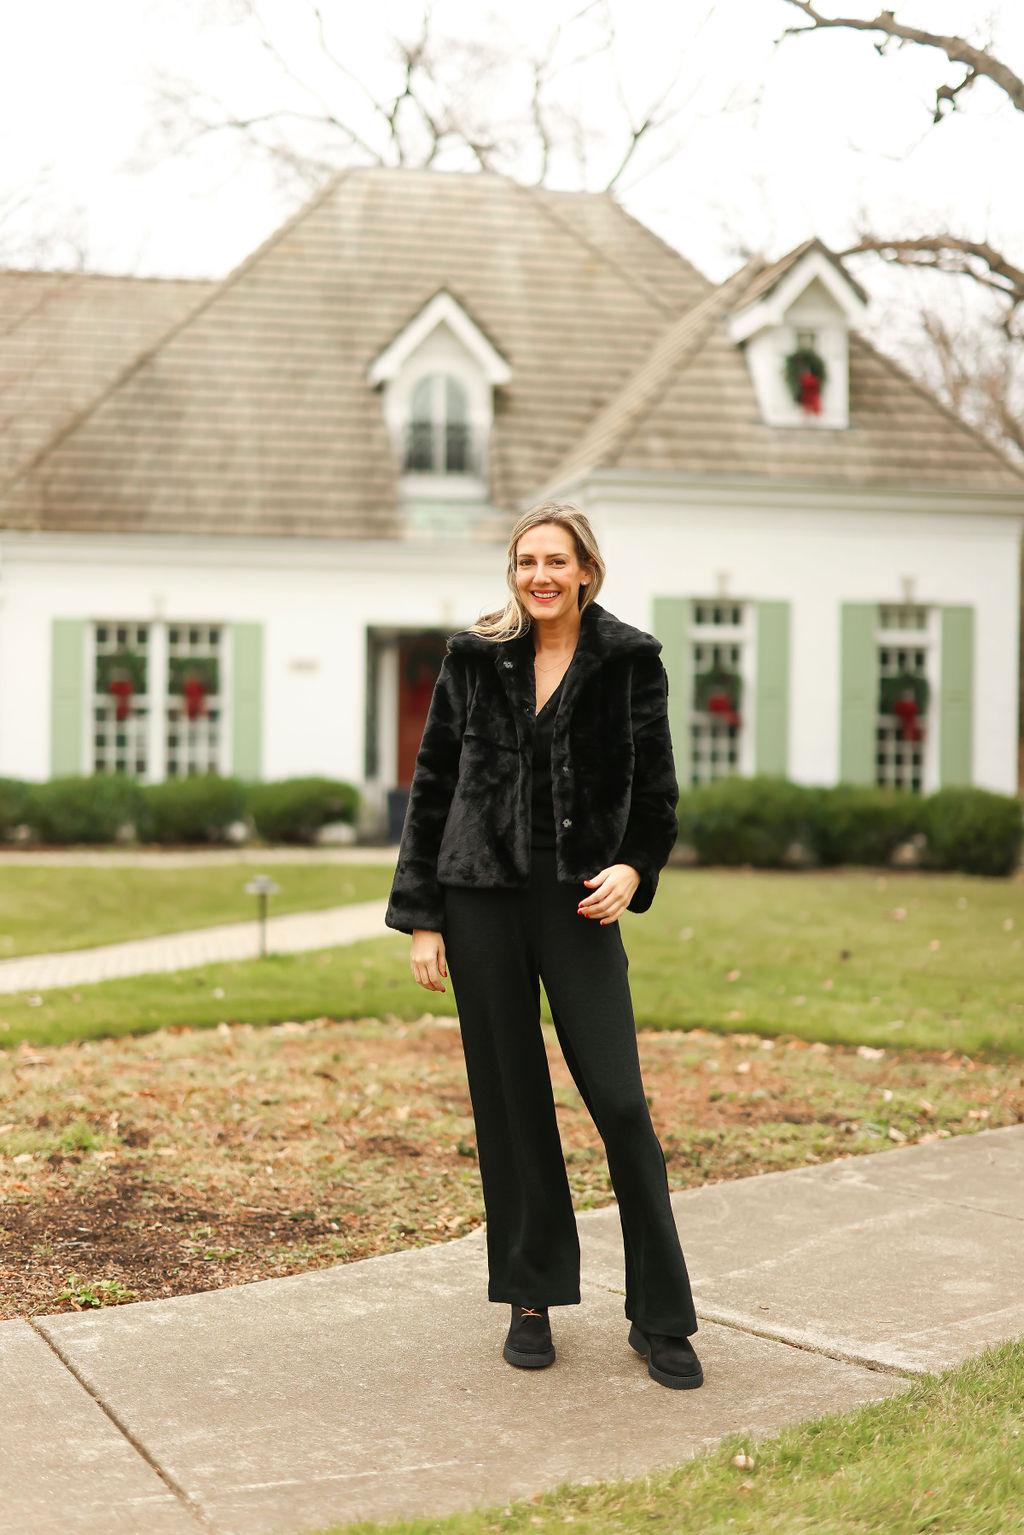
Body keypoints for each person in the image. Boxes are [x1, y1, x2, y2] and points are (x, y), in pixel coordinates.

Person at [385, 502, 702, 1391]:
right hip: (479, 899)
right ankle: (531, 1295)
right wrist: (422, 916)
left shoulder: (630, 661)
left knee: (622, 1101)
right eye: (526, 561)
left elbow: (659, 792)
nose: (540, 575)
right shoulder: (473, 659)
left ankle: (661, 1315)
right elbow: (434, 783)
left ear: (587, 571)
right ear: (514, 572)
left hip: (581, 907)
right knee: (511, 1099)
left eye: (556, 560)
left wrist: (634, 870)